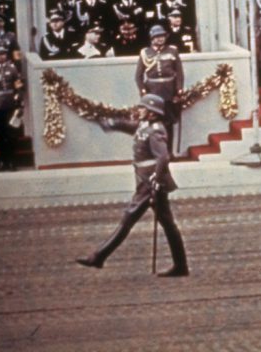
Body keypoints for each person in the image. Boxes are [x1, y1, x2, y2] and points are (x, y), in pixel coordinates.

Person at [75, 94, 189, 277]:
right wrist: (111, 124)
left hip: (150, 183)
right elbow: (131, 127)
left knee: (129, 218)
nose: (139, 110)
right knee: (167, 223)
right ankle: (181, 266)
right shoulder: (145, 126)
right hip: (147, 180)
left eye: (143, 108)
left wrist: (156, 180)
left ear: (152, 114)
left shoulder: (155, 130)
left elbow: (163, 157)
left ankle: (98, 257)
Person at [135, 25, 184, 155]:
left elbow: (179, 72)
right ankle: (155, 152)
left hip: (169, 92)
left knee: (168, 124)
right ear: (152, 39)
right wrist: (143, 92)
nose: (160, 39)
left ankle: (169, 152)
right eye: (157, 37)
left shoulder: (172, 51)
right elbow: (138, 76)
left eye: (162, 36)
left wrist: (179, 89)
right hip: (153, 93)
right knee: (154, 124)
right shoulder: (146, 53)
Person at [0, 45, 23, 172]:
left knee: (12, 134)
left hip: (10, 105)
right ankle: (2, 161)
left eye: (4, 54)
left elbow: (18, 85)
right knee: (0, 135)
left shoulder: (12, 68)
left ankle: (12, 161)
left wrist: (19, 100)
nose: (1, 56)